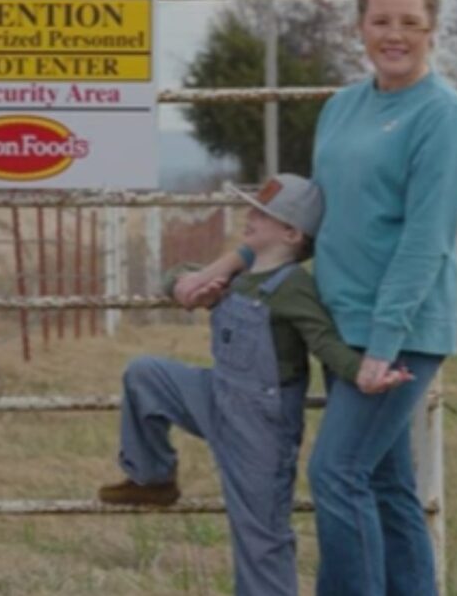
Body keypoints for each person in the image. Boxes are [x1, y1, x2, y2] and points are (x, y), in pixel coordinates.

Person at [176, 0, 457, 596]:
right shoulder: (343, 108)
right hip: (341, 325)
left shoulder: (444, 118)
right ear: (360, 27)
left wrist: (383, 346)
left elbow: (426, 241)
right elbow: (306, 223)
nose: (393, 35)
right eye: (380, 21)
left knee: (337, 472)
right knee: (386, 484)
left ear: (432, 29)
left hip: (400, 334)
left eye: (408, 22)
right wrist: (231, 265)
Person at [100, 174, 411, 596]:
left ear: (291, 232)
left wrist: (361, 372)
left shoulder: (295, 287)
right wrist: (184, 286)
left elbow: (323, 340)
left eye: (264, 213)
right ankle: (153, 478)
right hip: (216, 393)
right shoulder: (238, 273)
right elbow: (177, 273)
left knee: (260, 533)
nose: (250, 217)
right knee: (144, 374)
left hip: (261, 424)